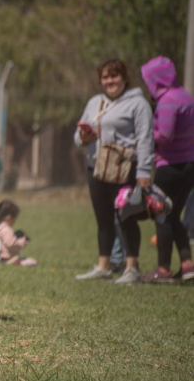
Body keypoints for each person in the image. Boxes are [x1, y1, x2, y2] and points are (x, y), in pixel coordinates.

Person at [74, 59, 154, 285]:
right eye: (105, 77)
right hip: (97, 168)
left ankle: (131, 267)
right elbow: (77, 136)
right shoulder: (95, 102)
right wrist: (84, 137)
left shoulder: (138, 104)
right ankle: (104, 266)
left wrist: (145, 170)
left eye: (114, 76)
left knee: (126, 217)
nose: (110, 81)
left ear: (125, 77)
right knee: (103, 219)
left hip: (124, 169)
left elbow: (145, 139)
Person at [139, 57, 194, 282]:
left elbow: (166, 136)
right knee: (173, 216)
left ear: (156, 80)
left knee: (160, 215)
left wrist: (145, 135)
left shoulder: (168, 101)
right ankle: (188, 265)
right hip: (189, 166)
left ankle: (162, 269)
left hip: (169, 167)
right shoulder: (185, 96)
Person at [0, 200, 37, 266]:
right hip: (8, 258)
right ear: (8, 218)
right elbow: (11, 244)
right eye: (14, 219)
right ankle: (16, 263)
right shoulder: (6, 229)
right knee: (33, 261)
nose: (14, 222)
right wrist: (22, 242)